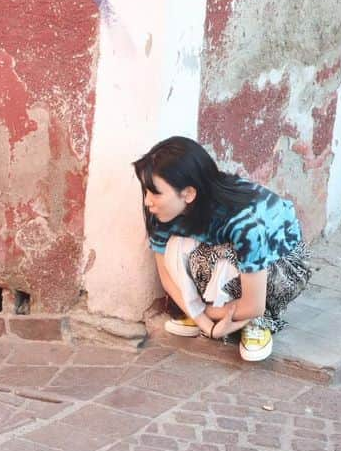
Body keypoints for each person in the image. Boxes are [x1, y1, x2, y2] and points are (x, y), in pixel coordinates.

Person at [132, 136, 311, 362]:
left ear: (188, 193)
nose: (148, 201)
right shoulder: (163, 211)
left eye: (155, 193)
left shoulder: (245, 223)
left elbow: (253, 304)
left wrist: (201, 311)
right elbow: (166, 274)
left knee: (229, 261)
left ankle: (258, 323)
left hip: (282, 267)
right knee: (176, 247)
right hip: (225, 257)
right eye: (146, 191)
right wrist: (206, 324)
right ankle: (223, 318)